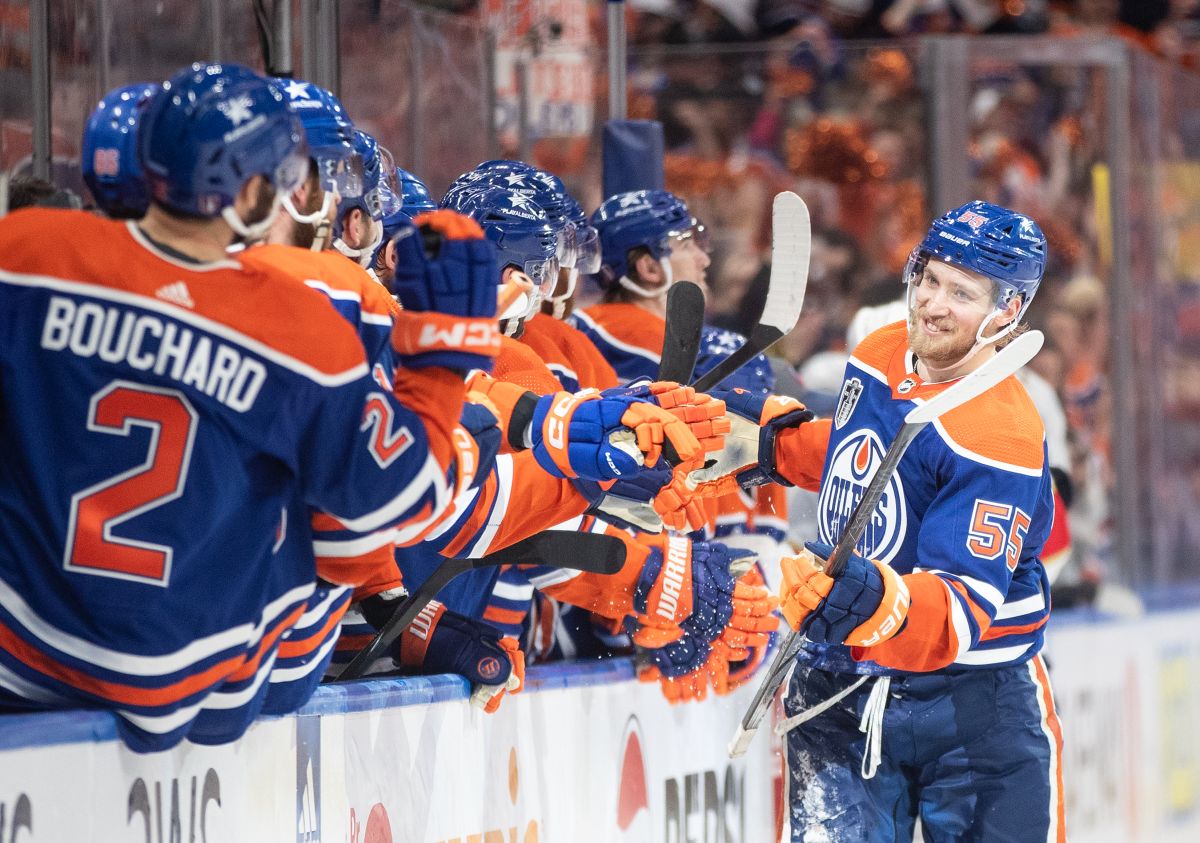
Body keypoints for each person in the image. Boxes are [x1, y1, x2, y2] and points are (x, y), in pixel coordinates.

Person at [0, 62, 498, 752]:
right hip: (200, 684)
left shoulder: (27, 253)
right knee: (318, 496)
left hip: (20, 651)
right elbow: (394, 502)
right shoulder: (295, 325)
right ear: (259, 189)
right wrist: (442, 367)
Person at [695, 200, 1064, 840]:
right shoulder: (880, 352)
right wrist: (772, 447)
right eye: (929, 278)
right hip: (842, 683)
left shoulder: (998, 435)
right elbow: (861, 459)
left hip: (974, 707)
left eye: (962, 293)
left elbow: (959, 615)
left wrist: (871, 600)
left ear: (1008, 312)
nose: (932, 303)